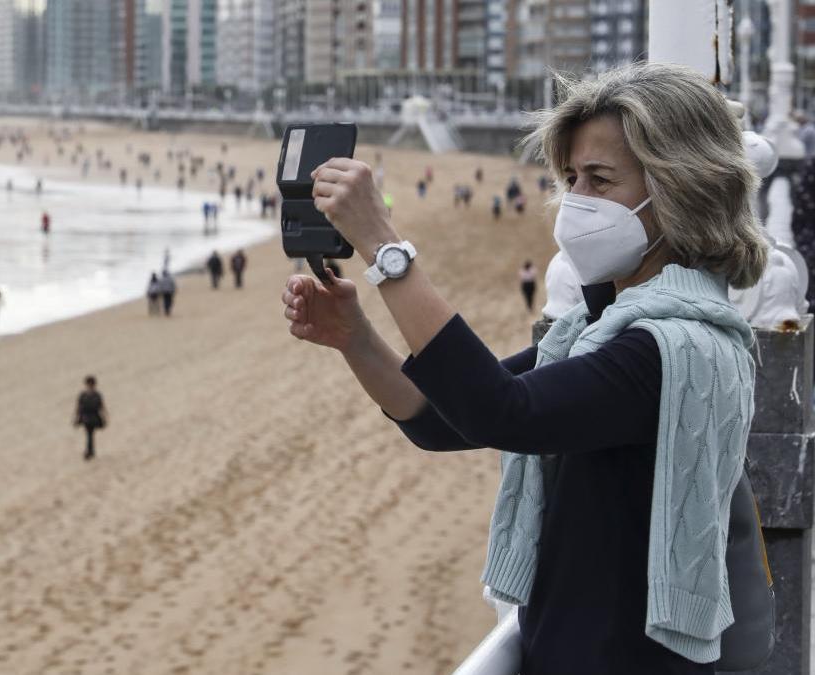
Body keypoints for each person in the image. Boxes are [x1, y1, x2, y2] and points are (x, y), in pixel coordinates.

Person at [281, 63, 765, 673]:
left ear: (679, 188)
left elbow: (501, 412)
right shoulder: (593, 332)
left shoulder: (673, 350)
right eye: (570, 178)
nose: (576, 201)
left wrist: (385, 246)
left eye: (600, 179)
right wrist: (356, 338)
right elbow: (444, 419)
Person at [74, 375, 107, 461]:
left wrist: (104, 417)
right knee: (90, 435)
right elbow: (79, 408)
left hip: (92, 418)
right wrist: (77, 418)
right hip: (87, 418)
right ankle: (90, 451)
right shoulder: (86, 395)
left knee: (90, 434)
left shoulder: (94, 395)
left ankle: (89, 452)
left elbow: (101, 407)